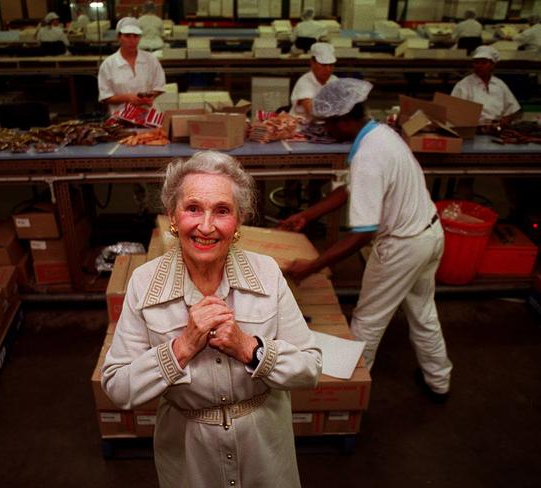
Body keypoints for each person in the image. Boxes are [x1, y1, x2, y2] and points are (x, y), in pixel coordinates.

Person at [102, 151, 321, 488]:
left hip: (264, 448)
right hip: (189, 456)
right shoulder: (145, 284)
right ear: (172, 216)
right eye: (192, 209)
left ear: (239, 220)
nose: (206, 226)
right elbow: (118, 386)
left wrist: (250, 348)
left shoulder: (267, 275)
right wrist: (182, 347)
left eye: (222, 211)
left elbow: (309, 368)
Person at [279, 79, 452, 402]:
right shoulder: (380, 135)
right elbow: (349, 189)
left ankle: (345, 395)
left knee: (368, 320)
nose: (324, 131)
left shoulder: (369, 157)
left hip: (403, 246)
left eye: (327, 124)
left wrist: (313, 267)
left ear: (344, 120)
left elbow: (363, 234)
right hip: (429, 233)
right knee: (423, 312)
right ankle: (438, 380)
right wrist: (308, 215)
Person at [97, 17, 166, 115]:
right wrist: (128, 98)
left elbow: (159, 87)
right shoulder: (108, 65)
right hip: (121, 117)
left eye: (136, 36)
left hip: (148, 116)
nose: (132, 40)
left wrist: (150, 97)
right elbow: (106, 97)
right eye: (127, 36)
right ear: (118, 37)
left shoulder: (151, 60)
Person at [451, 45, 521, 126]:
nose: (479, 66)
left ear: (492, 65)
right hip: (472, 130)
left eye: (484, 62)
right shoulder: (463, 85)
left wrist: (505, 120)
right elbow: (454, 115)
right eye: (476, 62)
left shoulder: (499, 84)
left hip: (497, 130)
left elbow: (512, 109)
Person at [289, 42, 338, 123]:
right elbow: (313, 111)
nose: (328, 69)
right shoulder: (304, 82)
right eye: (323, 65)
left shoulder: (334, 80)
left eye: (331, 65)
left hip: (326, 127)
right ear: (312, 63)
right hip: (302, 128)